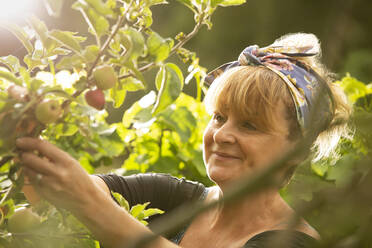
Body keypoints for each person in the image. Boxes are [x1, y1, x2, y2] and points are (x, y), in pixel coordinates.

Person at [17, 33, 351, 248]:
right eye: (219, 117)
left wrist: (88, 202)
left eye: (249, 125)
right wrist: (24, 131)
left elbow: (89, 199)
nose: (221, 134)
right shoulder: (173, 198)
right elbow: (75, 189)